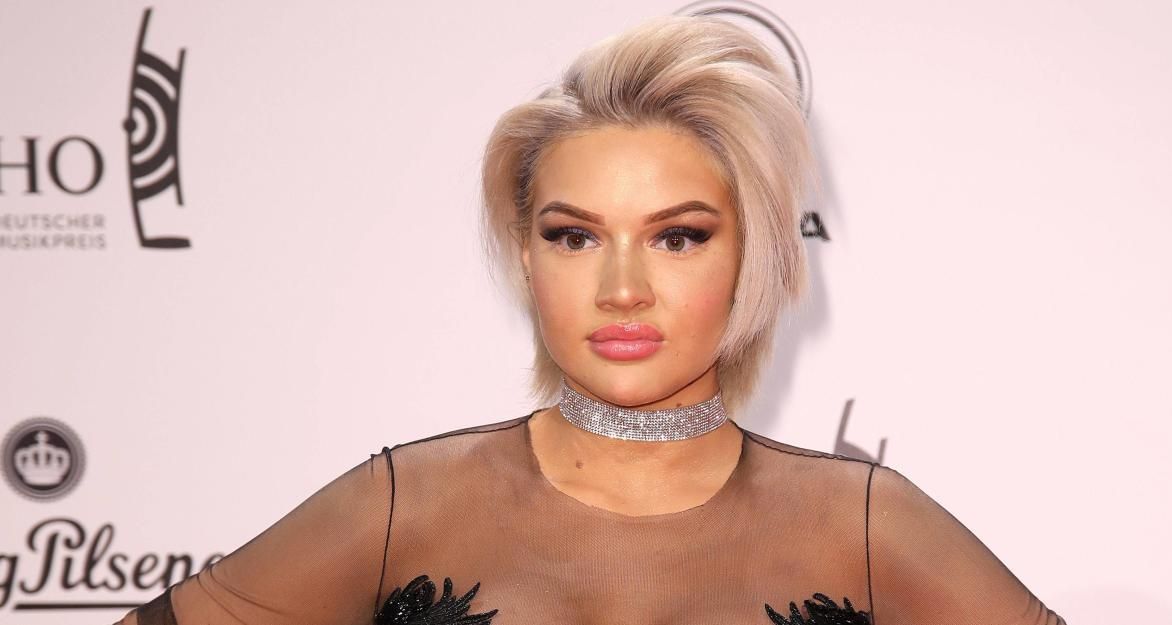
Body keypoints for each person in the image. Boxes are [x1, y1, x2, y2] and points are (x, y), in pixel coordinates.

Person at [115, 15, 1065, 625]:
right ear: (528, 257)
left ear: (755, 256)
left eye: (678, 237)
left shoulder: (860, 523)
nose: (622, 287)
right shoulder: (407, 502)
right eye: (574, 236)